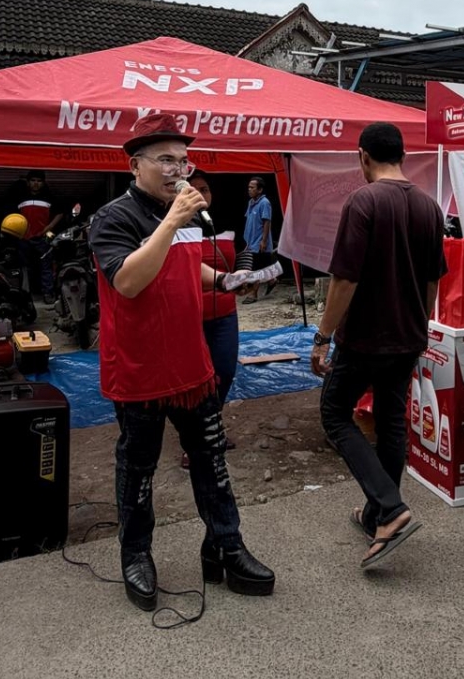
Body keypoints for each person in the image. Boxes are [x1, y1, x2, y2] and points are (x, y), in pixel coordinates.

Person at [88, 113, 273, 612]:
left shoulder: (185, 212)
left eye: (183, 160)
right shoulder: (113, 218)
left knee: (212, 462)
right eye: (166, 159)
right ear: (135, 165)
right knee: (139, 468)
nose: (178, 169)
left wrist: (227, 280)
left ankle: (225, 546)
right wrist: (172, 221)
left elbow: (191, 268)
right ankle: (136, 554)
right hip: (141, 368)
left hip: (192, 365)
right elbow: (128, 280)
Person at [310, 122, 445, 569]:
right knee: (390, 420)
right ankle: (378, 513)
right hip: (408, 334)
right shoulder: (429, 206)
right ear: (402, 156)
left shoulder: (363, 201)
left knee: (334, 413)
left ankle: (390, 509)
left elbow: (345, 278)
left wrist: (323, 337)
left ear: (363, 157)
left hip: (366, 335)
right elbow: (431, 282)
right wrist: (420, 326)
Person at [180, 171, 237, 469]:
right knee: (197, 380)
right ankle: (195, 441)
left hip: (226, 311)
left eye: (205, 189)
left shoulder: (222, 221)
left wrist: (246, 276)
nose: (201, 194)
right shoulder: (174, 225)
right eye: (194, 189)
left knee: (225, 371)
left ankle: (213, 427)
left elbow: (242, 256)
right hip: (191, 315)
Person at [5, 169, 64, 304]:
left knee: (46, 267)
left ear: (43, 183)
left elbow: (60, 213)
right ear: (28, 182)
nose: (36, 184)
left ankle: (48, 293)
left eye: (39, 181)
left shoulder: (49, 197)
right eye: (33, 181)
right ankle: (25, 295)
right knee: (24, 268)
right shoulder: (19, 197)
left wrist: (48, 229)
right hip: (23, 238)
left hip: (43, 238)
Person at [241, 176, 275, 303]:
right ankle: (272, 280)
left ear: (260, 190)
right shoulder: (251, 203)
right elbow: (249, 221)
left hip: (260, 241)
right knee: (260, 266)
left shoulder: (264, 203)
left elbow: (267, 222)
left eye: (252, 187)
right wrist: (247, 242)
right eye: (249, 187)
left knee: (255, 268)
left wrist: (264, 241)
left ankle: (254, 294)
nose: (249, 190)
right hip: (251, 241)